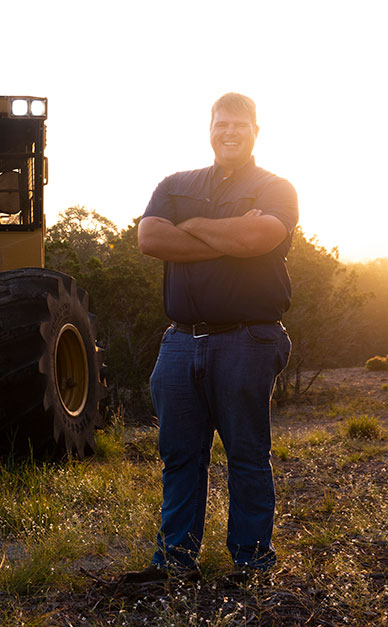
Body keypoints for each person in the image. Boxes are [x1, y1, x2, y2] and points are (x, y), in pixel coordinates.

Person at [125, 93, 298, 584]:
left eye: (240, 125)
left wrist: (194, 227)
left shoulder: (277, 188)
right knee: (180, 455)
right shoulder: (176, 185)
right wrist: (226, 238)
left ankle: (251, 561)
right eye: (222, 123)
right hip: (180, 341)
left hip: (248, 338)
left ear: (255, 131)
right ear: (210, 129)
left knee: (246, 453)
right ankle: (175, 562)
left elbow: (259, 239)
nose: (230, 132)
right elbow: (150, 239)